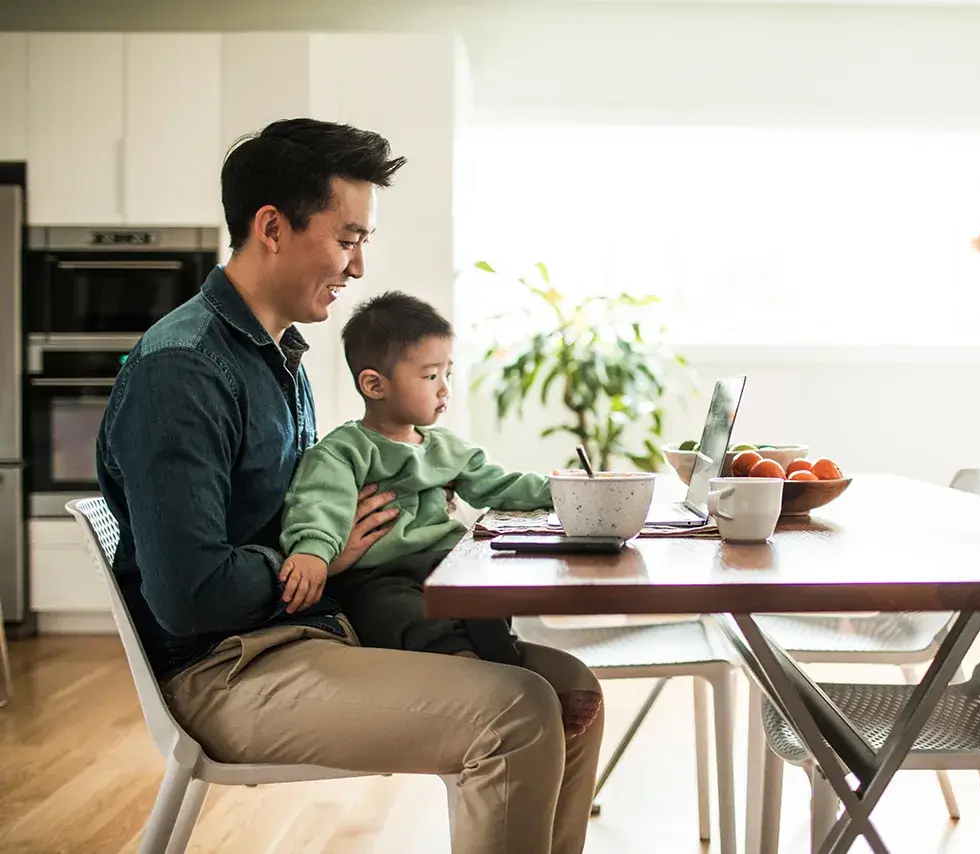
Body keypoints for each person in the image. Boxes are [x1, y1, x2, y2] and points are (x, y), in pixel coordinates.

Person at [95, 118, 604, 854]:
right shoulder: (184, 371)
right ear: (272, 226)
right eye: (347, 238)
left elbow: (307, 504)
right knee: (518, 709)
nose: (359, 268)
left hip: (310, 631)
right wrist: (318, 561)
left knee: (569, 685)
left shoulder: (277, 358)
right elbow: (188, 592)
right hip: (229, 669)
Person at [276, 291, 602, 734]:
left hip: (450, 565)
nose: (445, 388)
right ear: (375, 385)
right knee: (393, 610)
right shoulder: (342, 452)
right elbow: (320, 506)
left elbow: (499, 485)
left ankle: (513, 673)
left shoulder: (448, 448)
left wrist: (562, 490)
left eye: (447, 372)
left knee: (485, 599)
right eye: (431, 376)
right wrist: (313, 552)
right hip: (382, 574)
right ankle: (464, 669)